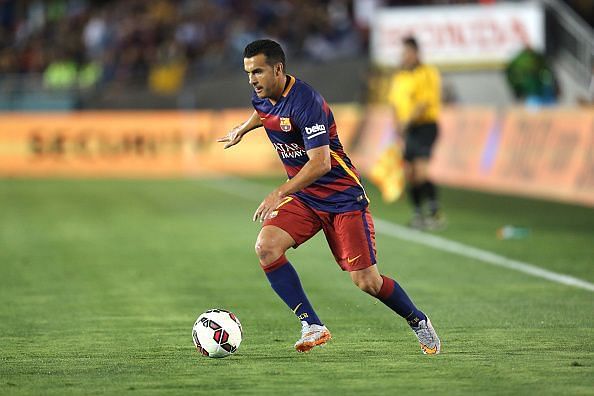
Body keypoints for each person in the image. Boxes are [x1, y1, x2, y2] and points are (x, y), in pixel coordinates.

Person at [217, 39, 440, 354]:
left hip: (341, 198)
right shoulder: (263, 97)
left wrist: (279, 191)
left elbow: (321, 164)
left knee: (367, 282)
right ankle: (312, 324)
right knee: (266, 248)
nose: (252, 80)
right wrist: (243, 128)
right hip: (306, 198)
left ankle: (418, 320)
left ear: (278, 69)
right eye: (248, 73)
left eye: (258, 72)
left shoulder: (307, 102)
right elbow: (263, 113)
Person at [388, 36, 443, 230]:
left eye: (406, 52)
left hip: (425, 126)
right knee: (410, 173)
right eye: (402, 53)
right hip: (407, 129)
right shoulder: (400, 77)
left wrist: (406, 123)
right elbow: (394, 104)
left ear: (415, 52)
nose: (404, 56)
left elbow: (424, 102)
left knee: (421, 172)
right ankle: (418, 213)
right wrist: (397, 126)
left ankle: (435, 213)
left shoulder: (427, 73)